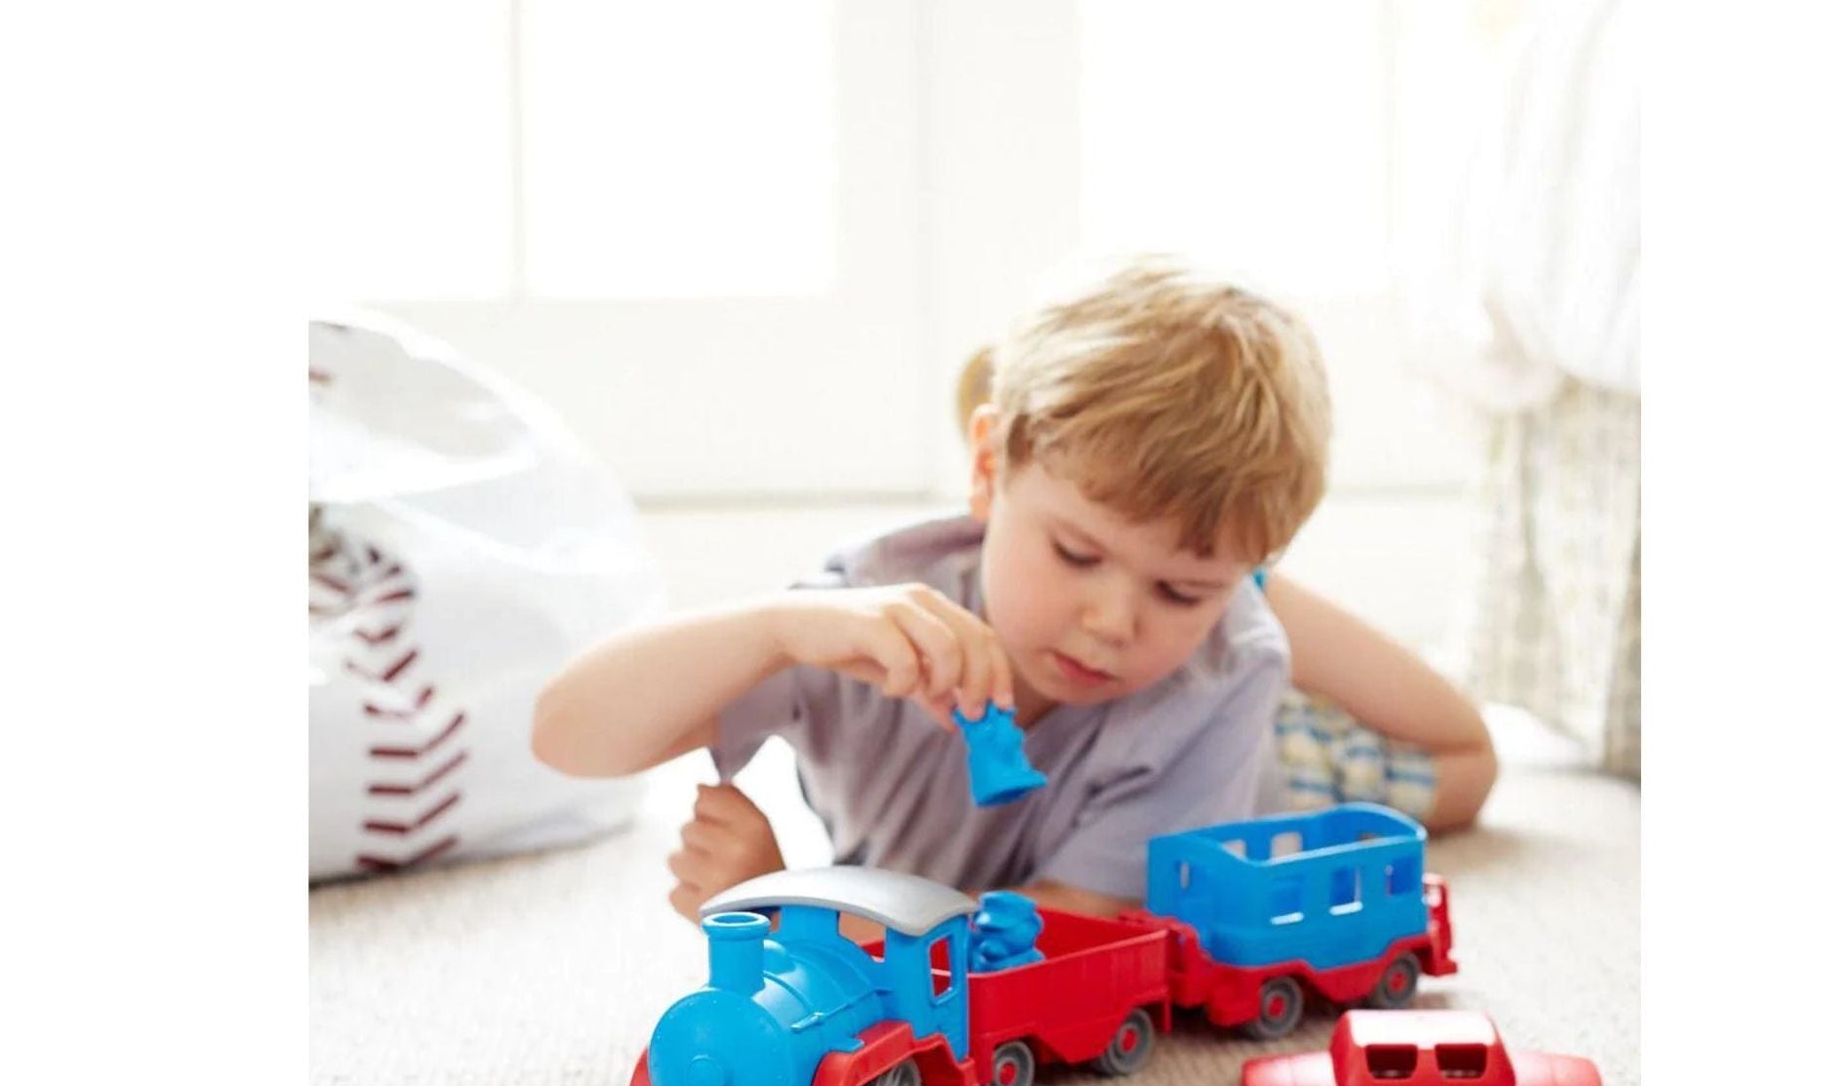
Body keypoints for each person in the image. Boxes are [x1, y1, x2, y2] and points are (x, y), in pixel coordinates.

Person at [532, 260, 1496, 923]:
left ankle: (1253, 592)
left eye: (1175, 585)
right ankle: (1233, 582)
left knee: (1467, 766)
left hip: (1261, 766)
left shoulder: (1215, 687)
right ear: (988, 466)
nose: (1111, 622)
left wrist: (782, 914)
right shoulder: (864, 612)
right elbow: (565, 736)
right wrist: (779, 626)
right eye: (1077, 555)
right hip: (1200, 645)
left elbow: (1052, 934)